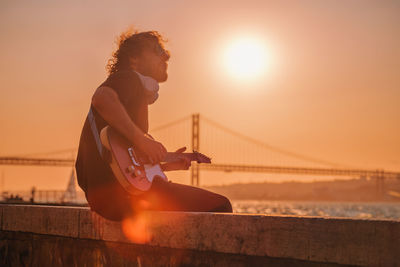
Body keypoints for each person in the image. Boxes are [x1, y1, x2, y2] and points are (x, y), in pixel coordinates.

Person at [75, 29, 232, 221]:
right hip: (123, 196)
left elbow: (121, 160)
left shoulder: (130, 94)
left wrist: (164, 164)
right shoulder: (129, 78)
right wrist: (142, 140)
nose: (165, 55)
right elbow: (101, 98)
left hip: (107, 198)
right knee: (221, 205)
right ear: (134, 59)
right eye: (156, 50)